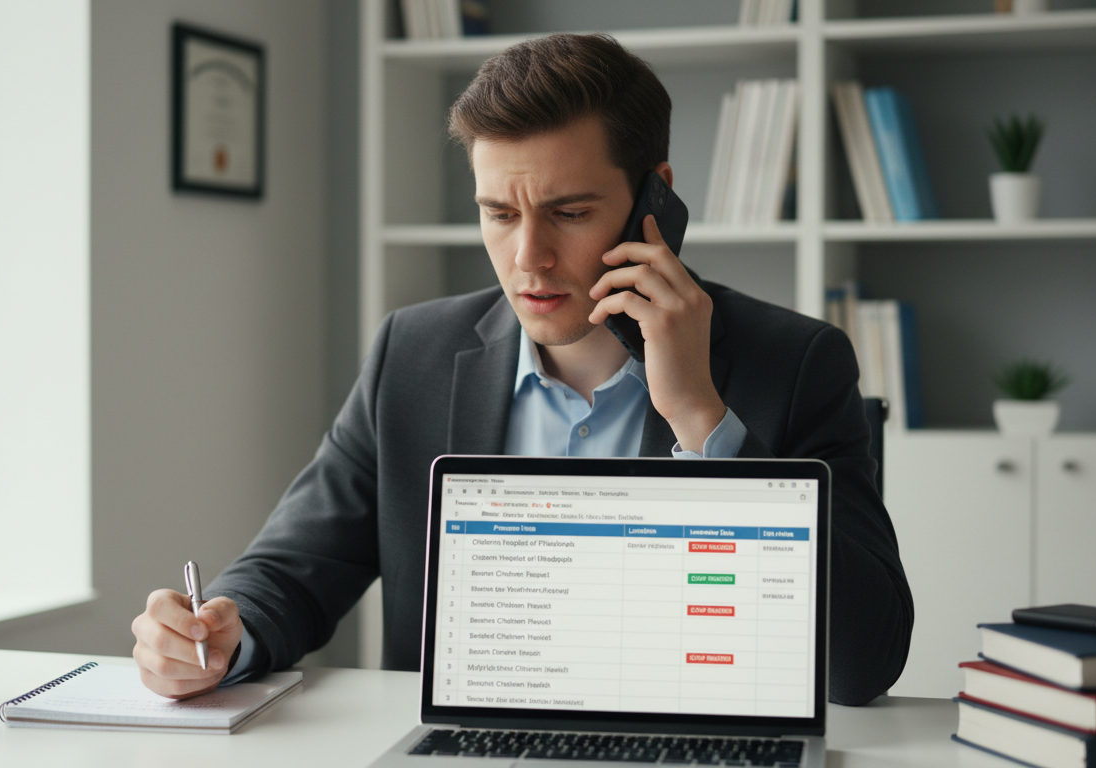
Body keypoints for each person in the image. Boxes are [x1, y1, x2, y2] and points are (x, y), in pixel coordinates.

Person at [131, 33, 912, 707]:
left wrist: (701, 419)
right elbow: (295, 568)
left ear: (657, 201)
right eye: (499, 214)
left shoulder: (798, 363)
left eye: (569, 212)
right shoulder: (415, 352)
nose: (528, 258)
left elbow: (862, 665)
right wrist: (223, 633)